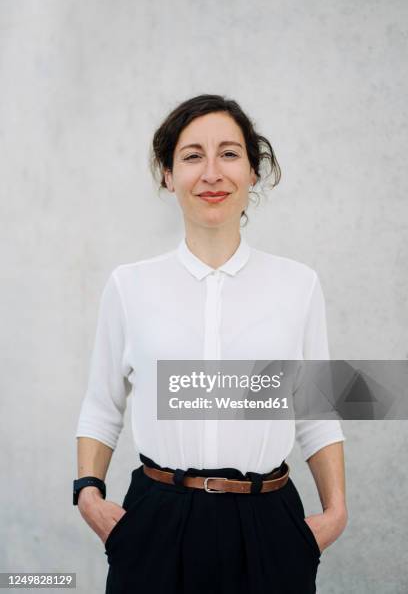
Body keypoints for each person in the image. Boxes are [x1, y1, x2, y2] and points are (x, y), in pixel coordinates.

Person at [74, 94, 348, 593]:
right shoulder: (129, 286)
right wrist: (88, 494)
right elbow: (102, 404)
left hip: (269, 521)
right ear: (167, 174)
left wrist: (335, 514)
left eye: (229, 153)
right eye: (192, 155)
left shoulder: (299, 285)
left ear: (253, 171)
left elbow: (317, 411)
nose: (212, 173)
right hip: (157, 518)